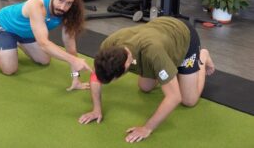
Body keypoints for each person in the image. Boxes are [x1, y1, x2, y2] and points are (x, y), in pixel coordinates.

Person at [79, 16, 215, 143]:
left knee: (189, 100)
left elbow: (174, 97)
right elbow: (95, 77)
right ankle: (170, 67)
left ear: (126, 66)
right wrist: (96, 109)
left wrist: (147, 128)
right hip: (160, 32)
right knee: (145, 87)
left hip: (184, 37)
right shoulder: (108, 46)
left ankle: (202, 55)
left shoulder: (153, 52)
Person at [0, 0, 92, 91]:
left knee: (44, 60)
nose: (62, 7)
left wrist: (76, 78)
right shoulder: (37, 5)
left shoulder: (68, 14)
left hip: (29, 32)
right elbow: (43, 43)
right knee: (9, 70)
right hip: (7, 26)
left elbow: (70, 48)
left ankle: (16, 43)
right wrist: (74, 60)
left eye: (68, 3)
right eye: (60, 0)